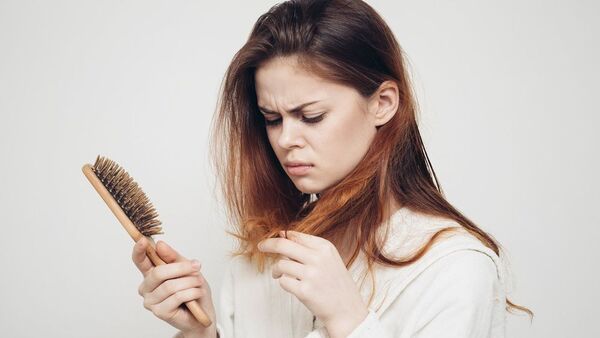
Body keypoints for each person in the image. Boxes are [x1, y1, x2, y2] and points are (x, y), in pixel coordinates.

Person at [132, 1, 533, 337]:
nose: (286, 139)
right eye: (272, 119)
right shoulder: (260, 260)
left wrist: (349, 319)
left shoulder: (453, 266)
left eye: (311, 115)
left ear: (383, 103)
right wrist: (200, 332)